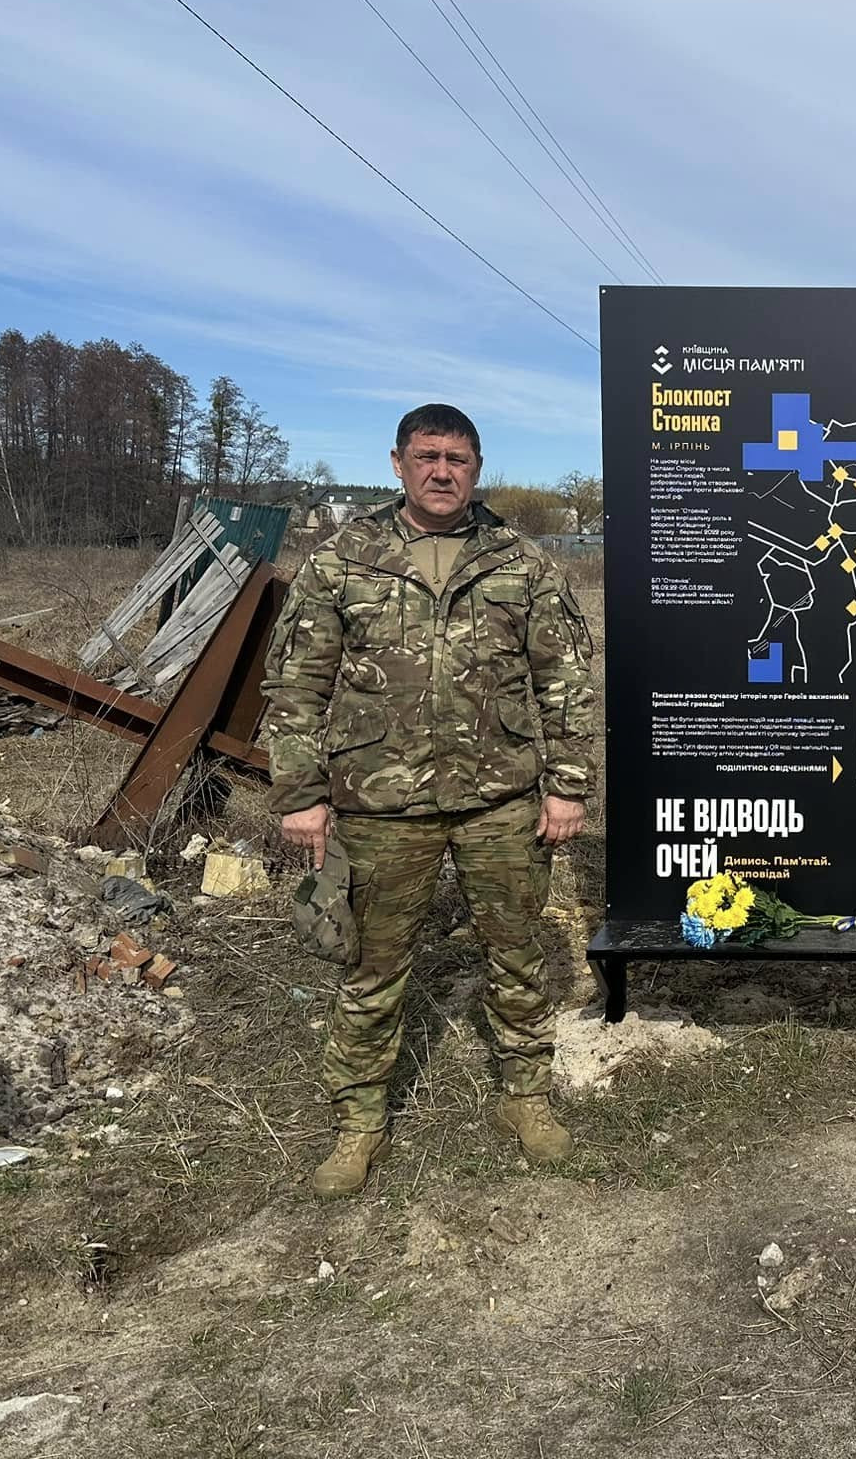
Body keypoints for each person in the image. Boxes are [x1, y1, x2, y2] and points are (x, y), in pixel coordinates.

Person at [260, 403, 597, 1197]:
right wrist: (301, 794)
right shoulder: (346, 559)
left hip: (500, 798)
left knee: (515, 953)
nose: (442, 471)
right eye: (427, 456)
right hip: (379, 800)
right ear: (398, 463)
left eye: (458, 459)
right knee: (372, 968)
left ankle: (525, 1098)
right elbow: (295, 684)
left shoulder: (520, 561)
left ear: (477, 469)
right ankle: (359, 1123)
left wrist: (569, 786)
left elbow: (566, 682)